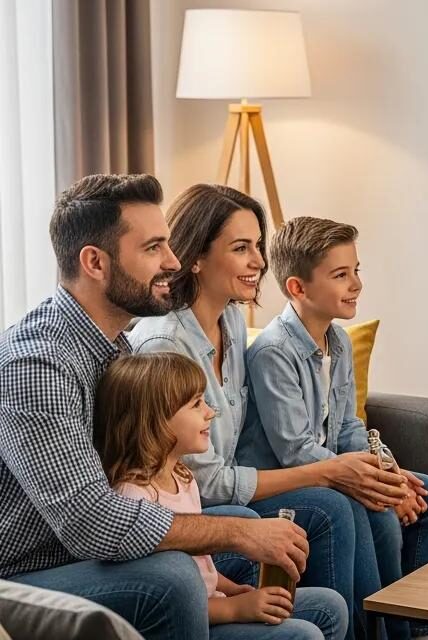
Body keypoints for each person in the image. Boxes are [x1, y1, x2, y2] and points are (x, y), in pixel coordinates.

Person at [0, 174, 312, 640]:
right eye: (153, 248)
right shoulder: (39, 365)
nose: (172, 261)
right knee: (175, 574)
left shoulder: (116, 349)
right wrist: (236, 536)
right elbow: (91, 521)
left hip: (91, 558)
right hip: (30, 576)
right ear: (95, 263)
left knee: (275, 564)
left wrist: (243, 531)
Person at [129, 184, 410, 640]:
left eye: (257, 245)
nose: (259, 262)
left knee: (358, 498)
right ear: (195, 257)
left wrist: (368, 470)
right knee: (333, 506)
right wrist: (327, 472)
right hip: (193, 511)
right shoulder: (166, 345)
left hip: (237, 489)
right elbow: (206, 482)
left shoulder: (233, 321)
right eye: (242, 248)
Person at [239, 217, 428, 640]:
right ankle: (382, 633)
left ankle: (417, 628)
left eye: (356, 271)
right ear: (298, 288)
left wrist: (387, 473)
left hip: (334, 470)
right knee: (380, 514)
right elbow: (296, 451)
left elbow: (350, 427)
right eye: (340, 275)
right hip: (290, 482)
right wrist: (375, 487)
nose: (356, 284)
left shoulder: (338, 341)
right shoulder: (273, 353)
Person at [95, 353, 347, 639]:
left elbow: (202, 568)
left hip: (215, 602)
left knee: (330, 606)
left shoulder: (183, 478)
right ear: (156, 420)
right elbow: (160, 599)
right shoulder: (133, 497)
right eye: (196, 404)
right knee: (303, 635)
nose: (210, 412)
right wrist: (236, 609)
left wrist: (231, 589)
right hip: (192, 619)